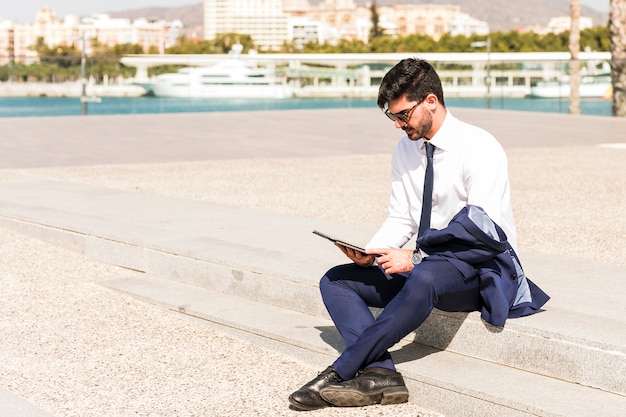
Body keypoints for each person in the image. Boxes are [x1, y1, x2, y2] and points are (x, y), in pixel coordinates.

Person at [288, 58, 549, 411]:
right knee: (336, 281)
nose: (398, 125)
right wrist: (372, 252)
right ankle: (382, 373)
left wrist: (415, 258)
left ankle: (342, 369)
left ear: (431, 101)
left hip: (479, 268)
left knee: (425, 274)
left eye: (403, 114)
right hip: (428, 267)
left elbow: (487, 233)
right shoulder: (406, 149)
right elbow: (402, 218)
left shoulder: (479, 146)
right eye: (392, 117)